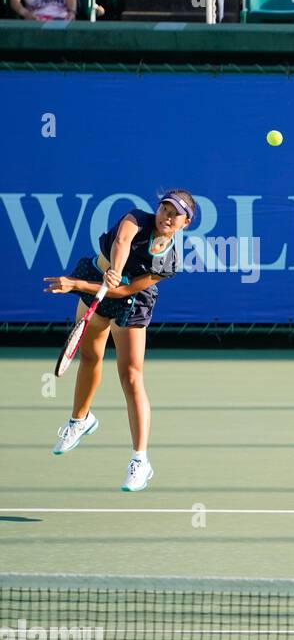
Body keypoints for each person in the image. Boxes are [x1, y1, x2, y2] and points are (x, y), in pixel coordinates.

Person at [43, 191, 197, 492]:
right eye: (163, 208)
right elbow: (122, 242)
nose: (166, 216)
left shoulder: (168, 262)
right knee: (90, 357)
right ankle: (80, 419)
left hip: (131, 301)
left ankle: (140, 460)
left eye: (174, 214)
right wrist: (114, 269)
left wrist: (77, 284)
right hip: (96, 277)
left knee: (131, 377)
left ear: (185, 222)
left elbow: (127, 291)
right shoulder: (136, 218)